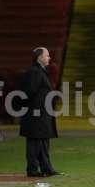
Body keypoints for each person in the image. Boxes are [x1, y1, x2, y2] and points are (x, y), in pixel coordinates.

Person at [20, 47, 60, 177]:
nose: (49, 58)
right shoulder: (35, 72)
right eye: (47, 55)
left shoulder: (39, 71)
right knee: (35, 142)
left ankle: (46, 168)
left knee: (42, 141)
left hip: (41, 113)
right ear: (39, 58)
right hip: (36, 113)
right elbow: (29, 92)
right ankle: (32, 169)